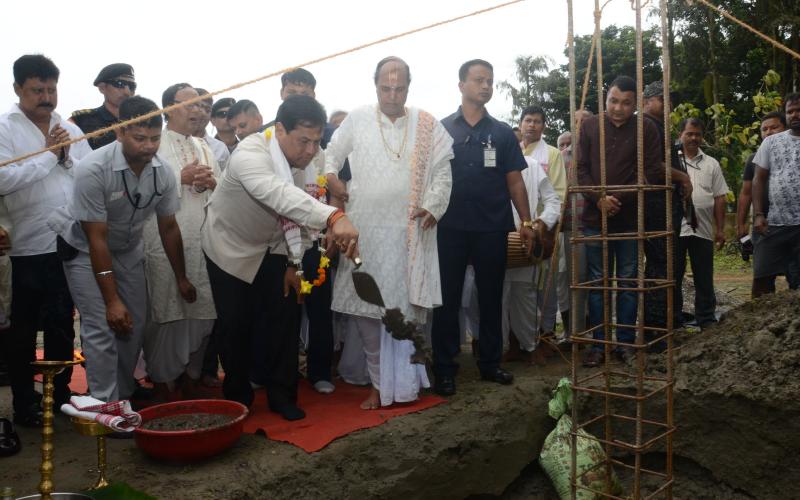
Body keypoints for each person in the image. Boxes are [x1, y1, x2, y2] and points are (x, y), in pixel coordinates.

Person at [202, 95, 359, 420]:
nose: (311, 150)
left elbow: (302, 214)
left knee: (283, 323)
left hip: (277, 246)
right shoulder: (250, 153)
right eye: (304, 141)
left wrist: (294, 263)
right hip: (229, 248)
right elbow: (280, 194)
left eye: (317, 142)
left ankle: (283, 395)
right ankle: (238, 398)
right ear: (280, 130)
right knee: (235, 327)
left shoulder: (310, 161)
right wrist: (333, 217)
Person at [324, 56, 454, 409]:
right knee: (368, 310)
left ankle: (408, 383)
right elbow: (330, 155)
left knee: (405, 311)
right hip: (363, 229)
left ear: (409, 88)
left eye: (399, 88)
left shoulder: (427, 124)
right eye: (386, 88)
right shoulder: (358, 118)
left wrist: (433, 204)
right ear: (375, 85)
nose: (392, 95)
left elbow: (443, 172)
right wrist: (333, 180)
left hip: (409, 232)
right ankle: (379, 385)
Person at [48, 96, 196, 402]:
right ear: (119, 132)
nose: (148, 146)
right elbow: (96, 239)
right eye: (139, 138)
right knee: (102, 323)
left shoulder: (163, 172)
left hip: (128, 248)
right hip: (85, 249)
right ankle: (106, 404)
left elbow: (168, 227)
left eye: (155, 138)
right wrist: (112, 299)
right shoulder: (93, 169)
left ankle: (125, 391)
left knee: (134, 323)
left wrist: (181, 277)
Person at [431, 59, 536, 396]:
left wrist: (527, 221)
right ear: (461, 85)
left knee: (491, 296)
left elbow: (515, 181)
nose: (486, 86)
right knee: (446, 300)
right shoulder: (441, 130)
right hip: (449, 227)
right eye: (479, 80)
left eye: (490, 81)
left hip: (492, 227)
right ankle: (445, 368)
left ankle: (490, 363)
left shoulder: (503, 133)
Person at [0, 55, 92, 426]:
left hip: (67, 241)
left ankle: (61, 397)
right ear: (18, 88)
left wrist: (67, 158)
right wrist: (50, 157)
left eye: (51, 89)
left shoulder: (66, 126)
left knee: (60, 327)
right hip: (25, 246)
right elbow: (3, 179)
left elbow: (87, 175)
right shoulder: (5, 128)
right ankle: (25, 403)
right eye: (37, 90)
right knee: (22, 332)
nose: (46, 97)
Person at [576, 75, 663, 366]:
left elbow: (649, 171)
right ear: (605, 99)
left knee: (627, 282)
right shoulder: (589, 126)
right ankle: (599, 344)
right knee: (598, 283)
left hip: (629, 220)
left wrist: (617, 200)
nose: (618, 108)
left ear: (635, 104)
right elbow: (581, 169)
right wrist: (598, 199)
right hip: (593, 217)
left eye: (626, 103)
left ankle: (624, 343)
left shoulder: (646, 128)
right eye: (613, 100)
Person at [142, 83, 219, 402]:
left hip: (202, 241)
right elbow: (140, 189)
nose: (199, 112)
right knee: (166, 314)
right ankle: (161, 378)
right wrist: (180, 179)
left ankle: (189, 374)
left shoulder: (204, 147)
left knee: (203, 315)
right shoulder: (151, 144)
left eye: (203, 106)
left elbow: (220, 189)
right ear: (168, 109)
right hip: (162, 241)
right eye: (192, 106)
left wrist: (210, 182)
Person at [642, 80, 692, 334]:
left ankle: (664, 323)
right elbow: (652, 165)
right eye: (662, 98)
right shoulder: (647, 126)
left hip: (664, 203)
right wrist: (683, 177)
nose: (668, 103)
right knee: (660, 264)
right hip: (654, 205)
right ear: (646, 102)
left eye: (669, 99)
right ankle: (655, 328)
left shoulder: (660, 127)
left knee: (666, 264)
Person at [502, 155, 561, 365]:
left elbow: (553, 201)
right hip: (492, 238)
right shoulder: (488, 161)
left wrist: (541, 223)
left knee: (525, 296)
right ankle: (501, 348)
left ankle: (531, 346)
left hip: (524, 243)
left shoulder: (532, 165)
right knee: (493, 299)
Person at [518, 106, 567, 339]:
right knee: (521, 287)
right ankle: (522, 336)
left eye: (537, 121)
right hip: (516, 229)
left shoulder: (551, 154)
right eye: (528, 120)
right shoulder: (512, 151)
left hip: (544, 229)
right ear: (520, 124)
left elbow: (558, 193)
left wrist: (544, 224)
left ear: (544, 126)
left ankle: (547, 333)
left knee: (546, 283)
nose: (532, 125)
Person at [675, 117, 728, 328]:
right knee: (674, 276)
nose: (693, 138)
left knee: (704, 276)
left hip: (703, 230)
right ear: (681, 134)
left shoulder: (711, 163)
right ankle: (675, 319)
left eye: (697, 134)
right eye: (689, 133)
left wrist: (721, 229)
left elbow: (720, 197)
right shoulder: (672, 161)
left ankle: (706, 319)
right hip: (676, 229)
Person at [736, 112, 798, 293]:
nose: (768, 132)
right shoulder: (753, 159)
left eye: (774, 127)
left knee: (794, 275)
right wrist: (741, 226)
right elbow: (746, 193)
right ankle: (759, 317)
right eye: (764, 129)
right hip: (764, 224)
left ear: (785, 127)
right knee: (763, 275)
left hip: (794, 224)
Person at [751, 93, 800, 297]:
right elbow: (758, 180)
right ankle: (756, 324)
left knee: (797, 282)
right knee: (761, 278)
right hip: (774, 223)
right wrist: (759, 214)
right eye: (790, 111)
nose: (794, 115)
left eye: (798, 110)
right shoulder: (771, 143)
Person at [71, 63, 136, 150]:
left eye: (131, 86)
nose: (127, 92)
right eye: (120, 84)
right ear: (102, 88)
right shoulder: (81, 120)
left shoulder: (141, 120)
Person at [194, 88, 230, 171]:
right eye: (199, 108)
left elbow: (226, 181)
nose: (203, 113)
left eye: (208, 110)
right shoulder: (165, 141)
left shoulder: (220, 148)